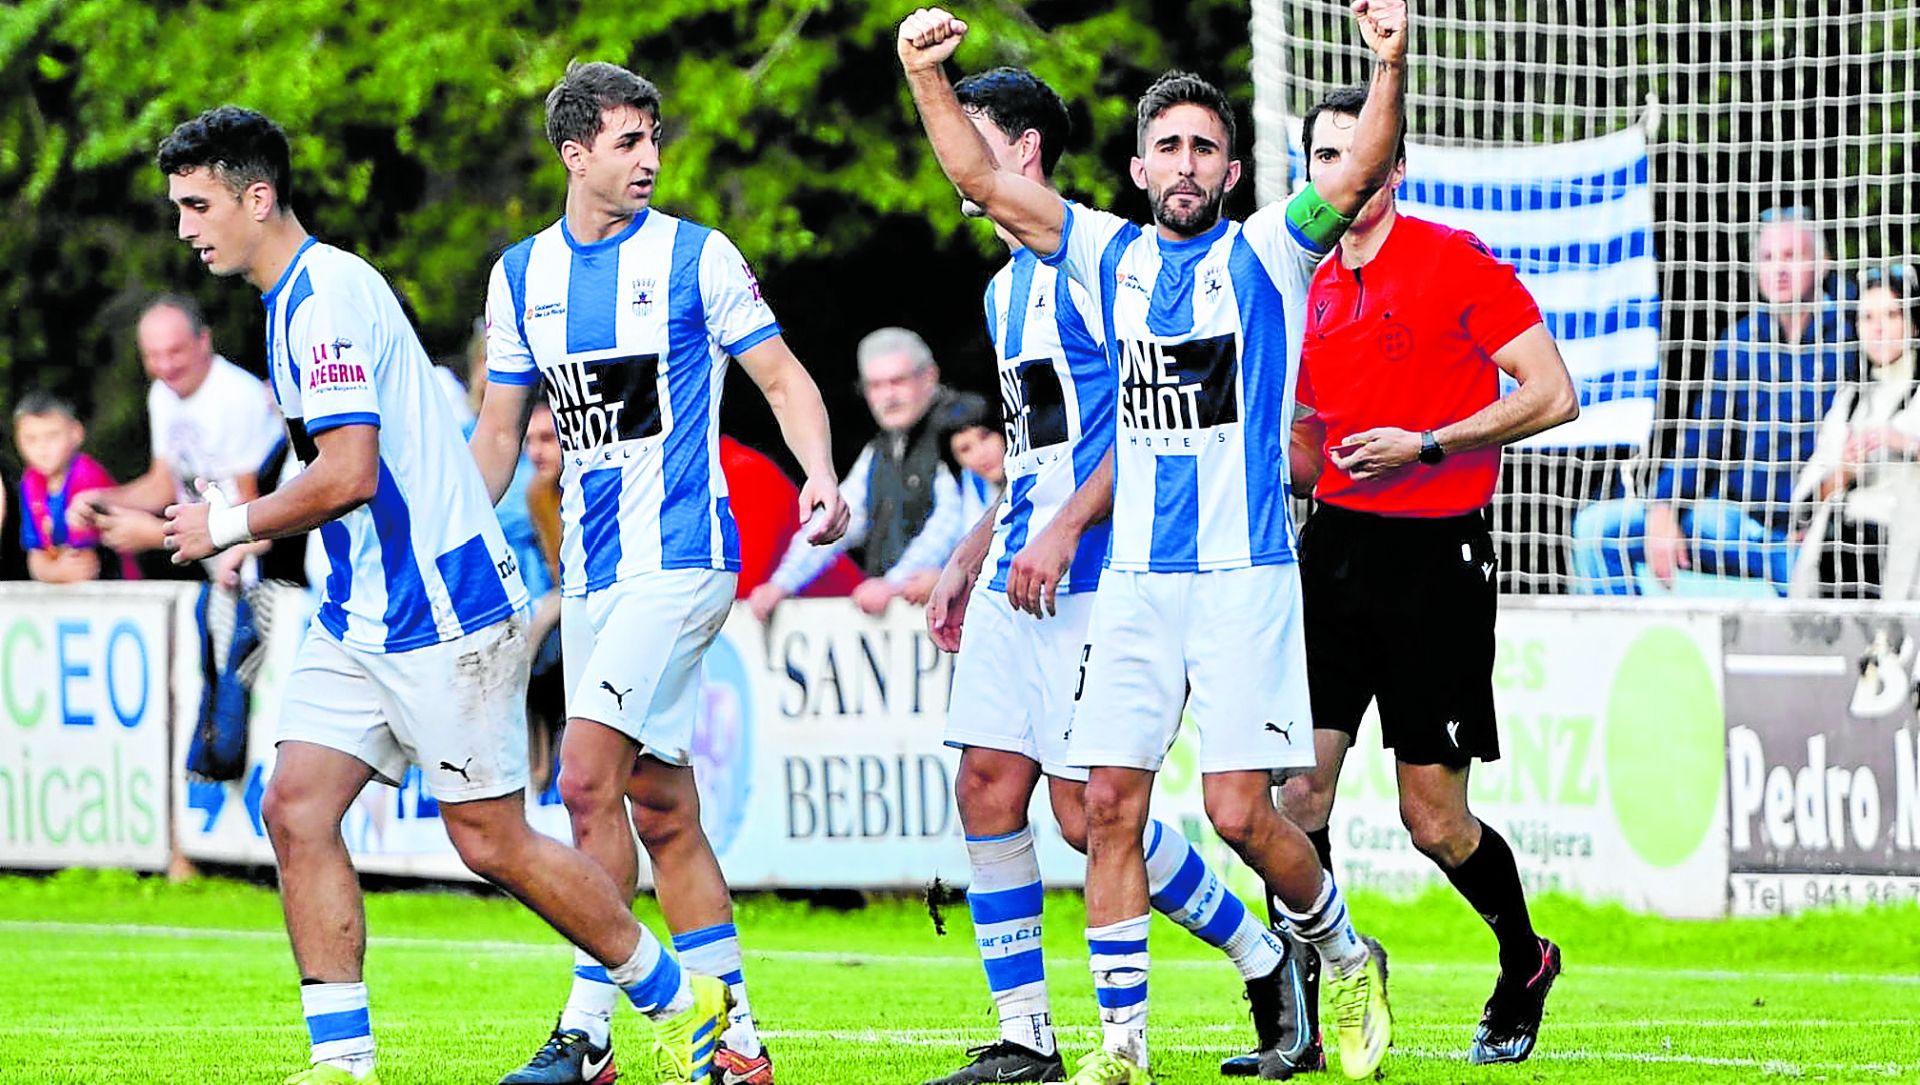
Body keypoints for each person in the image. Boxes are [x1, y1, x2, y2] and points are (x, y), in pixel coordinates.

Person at [154, 104, 729, 1085]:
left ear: (258, 197)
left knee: (490, 837)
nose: (185, 227)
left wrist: (231, 524)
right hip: (358, 610)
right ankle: (343, 1062)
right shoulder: (290, 294)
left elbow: (350, 475)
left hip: (438, 607)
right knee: (295, 805)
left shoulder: (324, 297)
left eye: (197, 203)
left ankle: (684, 998)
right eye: (177, 207)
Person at [899, 4, 1407, 1080]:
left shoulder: (1271, 251)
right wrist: (924, 76)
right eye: (1168, 145)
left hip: (1242, 576)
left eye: (1205, 148)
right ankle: (1118, 1047)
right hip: (1134, 580)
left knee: (1236, 811)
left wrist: (1389, 59)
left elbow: (1360, 170)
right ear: (1137, 167)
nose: (1186, 163)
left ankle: (1339, 945)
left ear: (1231, 172)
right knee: (1109, 807)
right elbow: (985, 184)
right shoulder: (1108, 254)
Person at [469, 61, 849, 1085]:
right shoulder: (523, 276)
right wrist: (456, 537)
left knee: (583, 773)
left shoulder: (696, 256)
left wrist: (817, 471)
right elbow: (501, 427)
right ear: (574, 154)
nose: (649, 157)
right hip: (592, 572)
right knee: (656, 807)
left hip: (684, 559)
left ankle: (619, 1026)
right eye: (628, 141)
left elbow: (780, 375)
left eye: (653, 138)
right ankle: (714, 1040)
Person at [1235, 83, 1577, 1072]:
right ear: (1308, 173)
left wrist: (1429, 442)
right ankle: (1312, 1011)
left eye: (1364, 154)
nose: (1349, 175)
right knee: (1294, 795)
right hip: (1330, 550)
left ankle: (1524, 960)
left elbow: (1553, 393)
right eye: (1327, 158)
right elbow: (1310, 450)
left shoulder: (1452, 260)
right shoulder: (1297, 286)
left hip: (1438, 558)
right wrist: (1277, 458)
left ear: (1395, 162)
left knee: (1432, 819)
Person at [1571, 207, 1856, 594]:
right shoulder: (1739, 342)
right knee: (1597, 529)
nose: (1779, 269)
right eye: (1769, 258)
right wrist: (1664, 507)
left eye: (1792, 256)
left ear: (1822, 264)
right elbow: (1703, 441)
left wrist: (1818, 520)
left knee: (1821, 572)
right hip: (1738, 525)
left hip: (1818, 533)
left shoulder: (1853, 336)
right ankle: (1622, 643)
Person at [748, 327, 980, 619]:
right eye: (876, 385)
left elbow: (951, 522)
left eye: (898, 381)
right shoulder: (880, 450)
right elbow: (838, 516)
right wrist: (779, 585)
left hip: (962, 610)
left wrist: (892, 584)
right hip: (908, 619)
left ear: (929, 376)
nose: (888, 395)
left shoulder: (961, 431)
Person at [70, 294, 282, 585]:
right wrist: (100, 499)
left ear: (204, 341)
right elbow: (163, 485)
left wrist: (156, 535)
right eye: (153, 356)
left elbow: (254, 514)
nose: (165, 366)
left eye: (175, 352)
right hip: (210, 556)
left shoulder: (237, 396)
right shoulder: (162, 394)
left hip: (261, 567)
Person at [1791, 263, 1920, 598]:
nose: (1878, 329)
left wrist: (1906, 443)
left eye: (1891, 315)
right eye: (1867, 318)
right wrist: (1843, 471)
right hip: (1837, 561)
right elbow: (1804, 502)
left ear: (1913, 323)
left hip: (1904, 559)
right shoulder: (1850, 399)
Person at [13, 392, 139, 582]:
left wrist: (51, 572)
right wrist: (53, 573)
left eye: (52, 436)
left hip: (116, 587)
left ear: (76, 433)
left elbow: (85, 564)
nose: (42, 447)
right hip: (67, 589)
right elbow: (35, 554)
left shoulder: (87, 475)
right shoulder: (30, 482)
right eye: (31, 439)